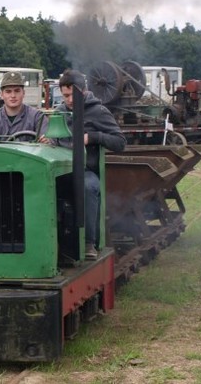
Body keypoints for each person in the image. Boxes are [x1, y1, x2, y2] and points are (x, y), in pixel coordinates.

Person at [44, 70, 126, 260]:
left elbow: (120, 142)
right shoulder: (59, 112)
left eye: (74, 94)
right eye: (65, 95)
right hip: (61, 170)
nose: (70, 99)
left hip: (86, 170)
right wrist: (48, 140)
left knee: (88, 187)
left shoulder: (98, 111)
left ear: (85, 90)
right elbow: (54, 139)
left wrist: (92, 137)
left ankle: (89, 242)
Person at [0, 71, 48, 141]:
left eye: (17, 91)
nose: (13, 96)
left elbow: (47, 144)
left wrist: (46, 141)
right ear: (1, 94)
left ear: (23, 93)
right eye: (8, 91)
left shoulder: (37, 117)